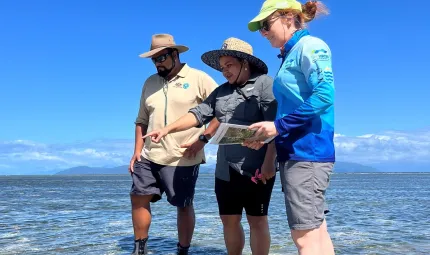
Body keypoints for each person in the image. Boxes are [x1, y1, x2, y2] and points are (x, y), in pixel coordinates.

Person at [143, 38, 278, 255]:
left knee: (257, 220)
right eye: (222, 67)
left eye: (229, 65)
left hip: (256, 167)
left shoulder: (265, 84)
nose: (224, 71)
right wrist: (167, 129)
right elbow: (198, 114)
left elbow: (275, 127)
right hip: (225, 170)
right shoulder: (222, 91)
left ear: (245, 63)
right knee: (228, 220)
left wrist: (270, 162)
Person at [244, 1, 336, 255]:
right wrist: (267, 136)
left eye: (265, 24)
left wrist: (278, 126)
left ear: (288, 17)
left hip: (307, 151)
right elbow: (286, 112)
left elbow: (325, 95)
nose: (263, 32)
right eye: (260, 28)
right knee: (317, 232)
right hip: (298, 153)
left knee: (304, 237)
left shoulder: (310, 46)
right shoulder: (290, 54)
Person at [129, 33, 219, 255]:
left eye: (161, 58)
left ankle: (183, 250)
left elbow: (223, 108)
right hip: (149, 154)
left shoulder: (199, 78)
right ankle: (140, 249)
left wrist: (203, 139)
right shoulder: (149, 82)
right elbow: (141, 120)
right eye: (154, 59)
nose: (157, 63)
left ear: (175, 55)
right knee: (138, 197)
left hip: (184, 155)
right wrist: (136, 152)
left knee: (183, 204)